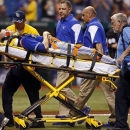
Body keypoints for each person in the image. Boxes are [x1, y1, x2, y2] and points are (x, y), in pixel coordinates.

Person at [69, 6, 116, 125]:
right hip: (101, 64)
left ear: (89, 15)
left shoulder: (93, 26)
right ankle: (116, 120)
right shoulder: (97, 24)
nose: (82, 17)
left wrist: (97, 63)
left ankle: (73, 115)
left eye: (83, 15)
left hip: (96, 64)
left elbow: (98, 46)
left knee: (84, 91)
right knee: (109, 93)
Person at [1, 10, 45, 128]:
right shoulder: (9, 29)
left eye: (19, 22)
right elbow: (6, 46)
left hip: (29, 65)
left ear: (25, 21)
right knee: (6, 90)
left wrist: (34, 67)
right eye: (15, 21)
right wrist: (6, 59)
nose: (17, 24)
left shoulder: (32, 31)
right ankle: (8, 118)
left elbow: (39, 50)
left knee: (33, 94)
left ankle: (39, 120)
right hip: (16, 64)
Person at [54, 0, 90, 126]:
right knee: (65, 88)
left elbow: (78, 45)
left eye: (63, 9)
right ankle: (66, 116)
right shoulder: (59, 22)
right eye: (59, 9)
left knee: (60, 87)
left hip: (68, 60)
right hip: (60, 59)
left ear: (70, 9)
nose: (61, 11)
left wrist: (73, 62)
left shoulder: (74, 24)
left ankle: (82, 107)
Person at [107, 13, 130, 130]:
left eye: (113, 22)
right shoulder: (122, 34)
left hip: (129, 72)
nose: (112, 25)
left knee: (124, 97)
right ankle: (120, 126)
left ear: (119, 22)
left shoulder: (127, 30)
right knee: (120, 98)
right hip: (124, 72)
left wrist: (122, 57)